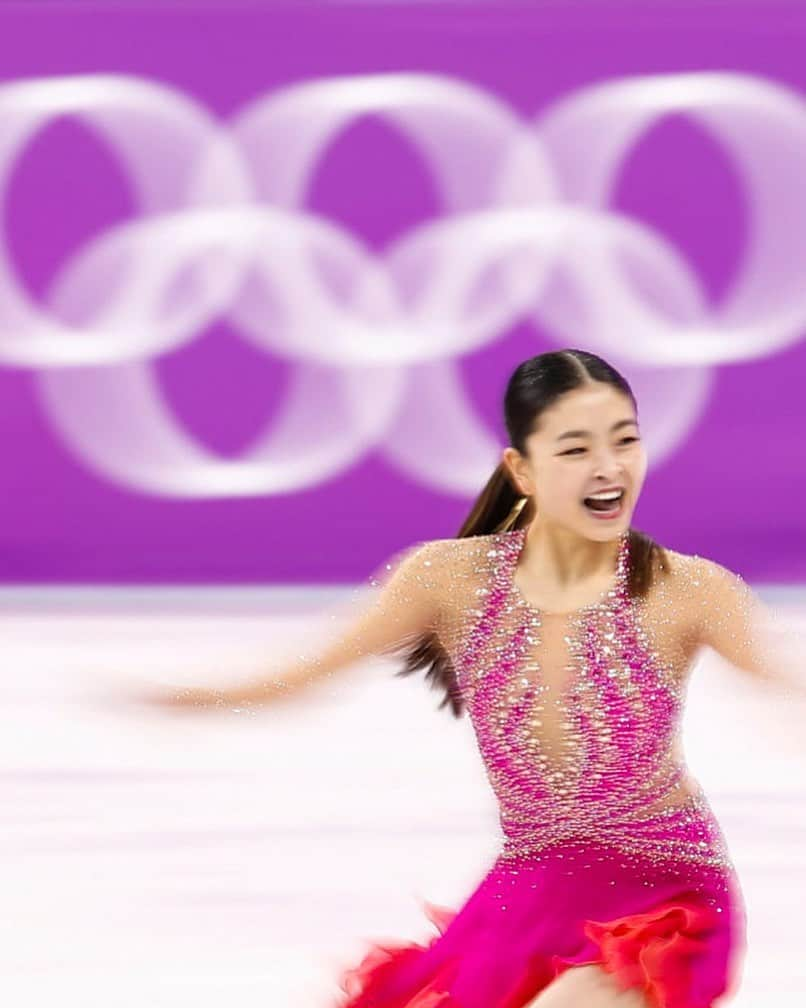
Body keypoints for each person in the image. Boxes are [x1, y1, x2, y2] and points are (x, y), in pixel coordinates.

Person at [140, 348, 801, 1008]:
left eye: (625, 441)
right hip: (529, 893)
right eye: (575, 449)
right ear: (521, 469)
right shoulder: (447, 581)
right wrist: (177, 696)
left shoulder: (689, 589)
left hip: (664, 895)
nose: (609, 468)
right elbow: (301, 671)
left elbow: (783, 676)